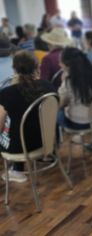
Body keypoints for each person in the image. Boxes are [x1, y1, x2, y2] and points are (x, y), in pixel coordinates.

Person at [0, 51, 55, 183]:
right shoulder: (48, 87)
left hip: (19, 148)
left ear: (14, 69)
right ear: (37, 67)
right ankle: (16, 169)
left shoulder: (7, 93)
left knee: (10, 126)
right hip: (45, 143)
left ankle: (16, 170)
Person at [58, 47, 92, 130]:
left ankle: (64, 139)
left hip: (77, 123)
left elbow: (60, 103)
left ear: (66, 64)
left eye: (60, 62)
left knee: (58, 114)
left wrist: (63, 81)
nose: (59, 64)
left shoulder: (68, 81)